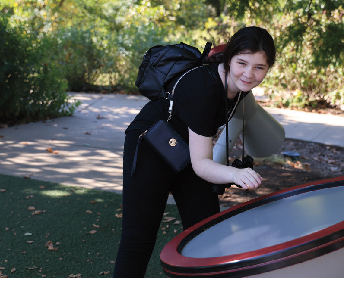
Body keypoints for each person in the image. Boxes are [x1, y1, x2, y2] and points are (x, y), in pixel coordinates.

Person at [112, 27, 276, 275]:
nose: (249, 74)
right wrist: (234, 174)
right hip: (151, 144)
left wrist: (225, 172)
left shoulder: (239, 87)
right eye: (242, 63)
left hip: (187, 149)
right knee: (138, 239)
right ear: (229, 58)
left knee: (207, 233)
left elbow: (203, 147)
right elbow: (201, 164)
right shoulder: (204, 89)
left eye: (259, 67)